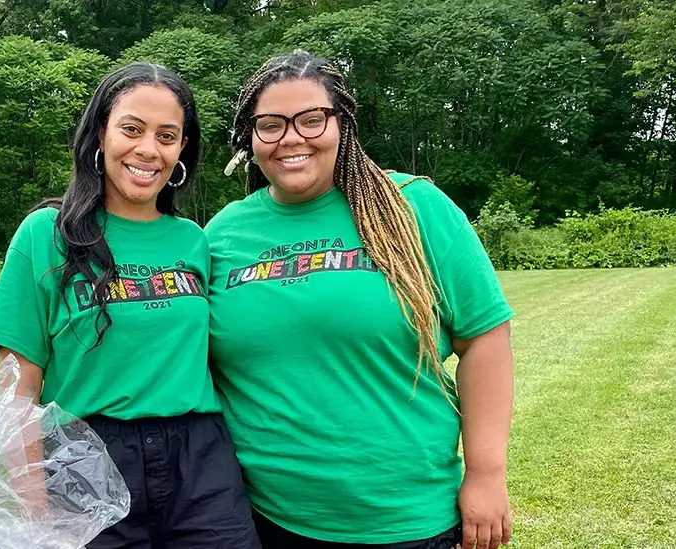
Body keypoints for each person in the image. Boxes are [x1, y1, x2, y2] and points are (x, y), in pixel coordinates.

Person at [205, 51, 516, 549]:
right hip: (265, 519)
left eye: (312, 119)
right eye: (270, 125)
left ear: (342, 125)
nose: (292, 138)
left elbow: (484, 339)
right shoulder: (223, 234)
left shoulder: (413, 207)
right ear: (250, 138)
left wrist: (485, 473)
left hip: (404, 520)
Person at [0, 62, 260, 548]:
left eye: (168, 136)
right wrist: (34, 512)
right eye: (132, 128)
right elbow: (17, 391)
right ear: (100, 135)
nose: (149, 149)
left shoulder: (194, 241)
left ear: (182, 150)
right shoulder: (46, 235)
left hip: (200, 461)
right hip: (84, 457)